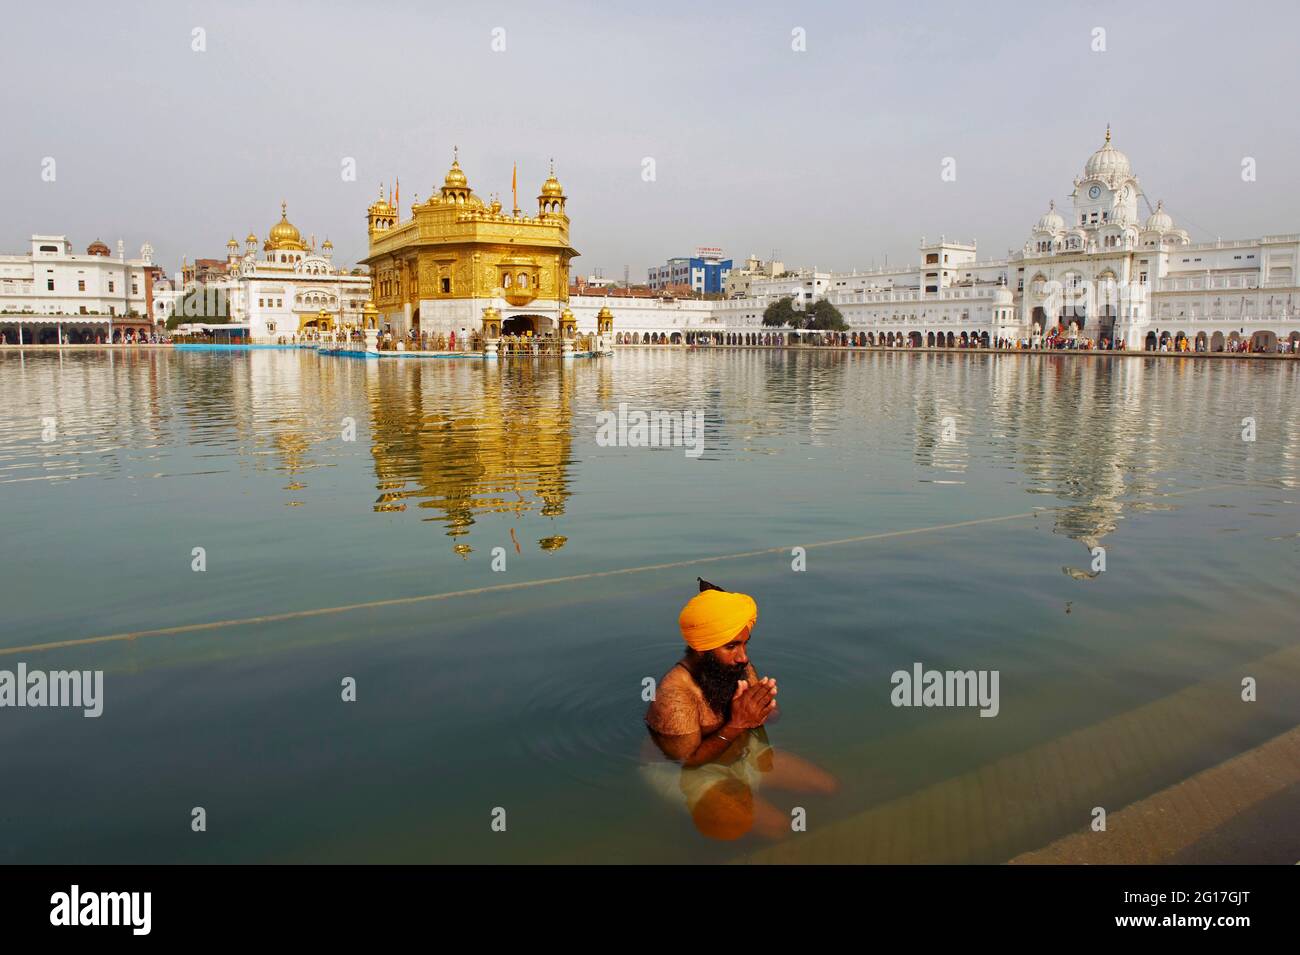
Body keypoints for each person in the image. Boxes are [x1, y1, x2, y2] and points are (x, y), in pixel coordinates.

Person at [642, 580, 836, 840]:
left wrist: (765, 709)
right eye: (731, 646)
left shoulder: (736, 666)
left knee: (827, 787)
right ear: (703, 648)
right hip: (688, 773)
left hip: (744, 755)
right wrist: (738, 723)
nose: (743, 656)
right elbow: (687, 760)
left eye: (744, 644)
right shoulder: (675, 694)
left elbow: (763, 719)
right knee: (779, 828)